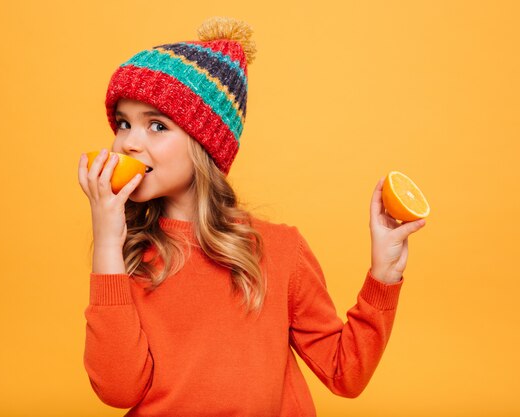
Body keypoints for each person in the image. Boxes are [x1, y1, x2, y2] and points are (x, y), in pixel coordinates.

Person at [78, 16, 426, 417]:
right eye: (123, 123)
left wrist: (383, 276)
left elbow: (344, 373)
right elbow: (118, 389)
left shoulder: (279, 249)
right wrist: (106, 243)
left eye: (157, 125)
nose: (129, 142)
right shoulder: (127, 254)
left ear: (205, 145)